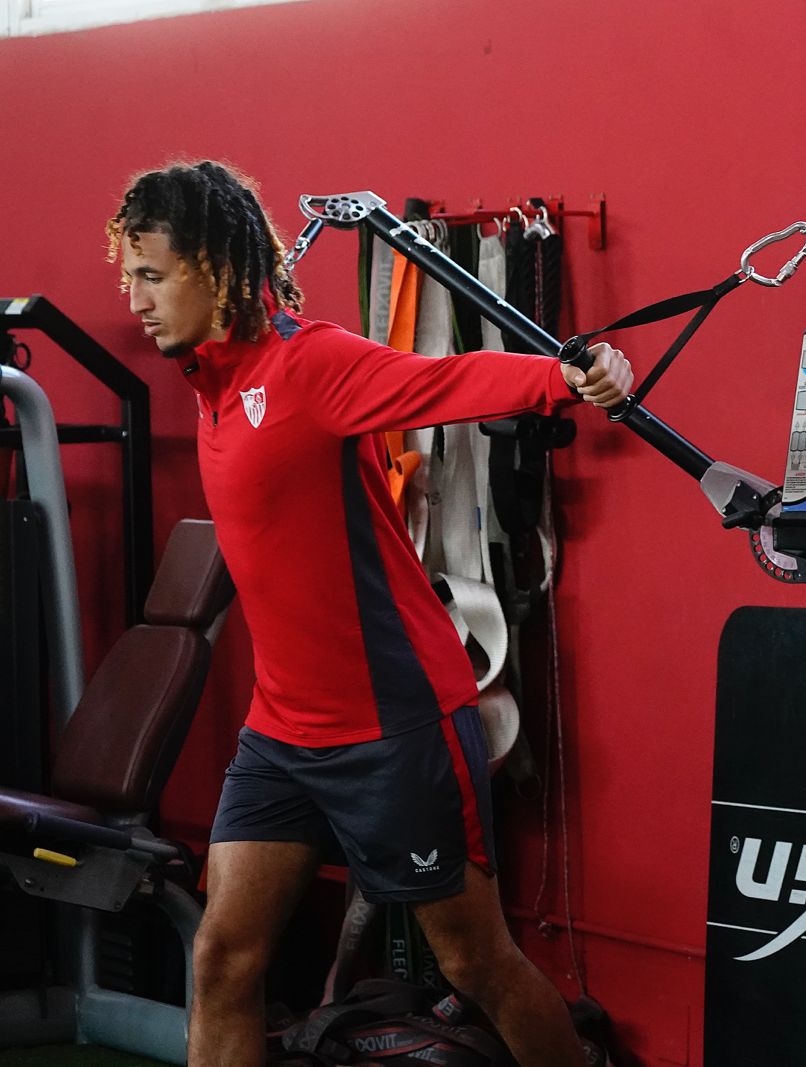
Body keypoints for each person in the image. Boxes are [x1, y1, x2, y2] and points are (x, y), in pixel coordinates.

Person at [109, 159, 631, 1067]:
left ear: (213, 267)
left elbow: (445, 380)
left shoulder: (309, 365)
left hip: (394, 727)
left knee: (476, 962)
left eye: (152, 276)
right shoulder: (210, 382)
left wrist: (566, 376)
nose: (136, 301)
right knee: (225, 959)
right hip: (282, 733)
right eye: (131, 278)